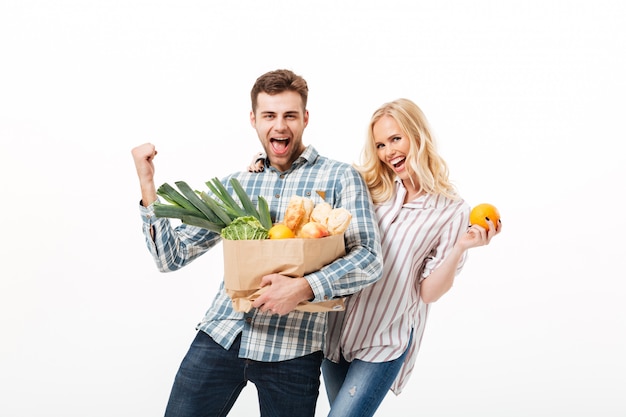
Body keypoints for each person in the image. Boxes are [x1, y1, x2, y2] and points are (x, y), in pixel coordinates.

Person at [131, 69, 383, 417]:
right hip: (222, 333)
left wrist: (303, 287)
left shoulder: (340, 177)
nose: (279, 125)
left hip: (293, 348)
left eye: (289, 115)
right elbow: (170, 258)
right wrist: (147, 185)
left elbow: (369, 257)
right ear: (254, 120)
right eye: (269, 115)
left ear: (305, 119)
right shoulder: (237, 185)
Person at [249, 98, 501, 416]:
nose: (388, 152)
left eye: (396, 139)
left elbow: (428, 292)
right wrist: (267, 162)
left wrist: (461, 247)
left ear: (418, 134)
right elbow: (313, 196)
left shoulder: (451, 210)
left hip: (385, 339)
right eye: (381, 144)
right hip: (335, 333)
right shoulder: (368, 185)